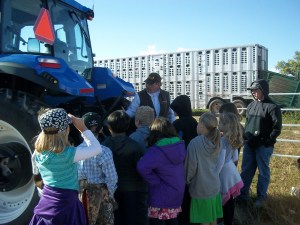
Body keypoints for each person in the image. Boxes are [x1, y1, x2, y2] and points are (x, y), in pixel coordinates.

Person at [30, 108, 102, 225]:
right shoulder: (69, 154)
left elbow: (38, 181)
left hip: (46, 203)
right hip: (67, 205)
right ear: (66, 130)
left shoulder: (38, 153)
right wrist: (82, 128)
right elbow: (96, 148)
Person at [239, 79, 282, 207]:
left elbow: (277, 128)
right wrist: (245, 138)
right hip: (249, 145)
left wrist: (267, 142)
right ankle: (242, 196)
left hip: (263, 147)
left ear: (263, 90)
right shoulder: (251, 105)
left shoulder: (273, 107)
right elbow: (247, 124)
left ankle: (261, 197)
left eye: (255, 90)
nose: (253, 93)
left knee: (263, 172)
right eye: (252, 91)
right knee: (246, 170)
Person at [137, 117, 186, 225]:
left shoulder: (157, 151)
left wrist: (155, 181)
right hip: (176, 191)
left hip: (161, 194)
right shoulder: (179, 145)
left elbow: (142, 167)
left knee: (156, 222)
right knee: (172, 220)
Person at [102, 110, 148, 225]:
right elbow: (141, 169)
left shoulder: (104, 145)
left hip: (111, 190)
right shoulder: (135, 146)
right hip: (133, 189)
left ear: (109, 127)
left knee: (115, 219)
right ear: (127, 125)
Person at [78, 112, 118, 225]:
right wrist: (109, 194)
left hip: (81, 194)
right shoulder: (104, 151)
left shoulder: (75, 151)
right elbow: (112, 178)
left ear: (81, 130)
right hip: (101, 194)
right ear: (101, 129)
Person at [184, 112, 223, 225]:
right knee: (212, 219)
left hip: (200, 189)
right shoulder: (217, 141)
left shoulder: (194, 143)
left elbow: (190, 168)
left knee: (203, 220)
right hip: (215, 187)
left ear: (201, 125)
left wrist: (186, 180)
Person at [170, 95, 198, 225]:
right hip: (194, 161)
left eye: (175, 109)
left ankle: (182, 218)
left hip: (180, 162)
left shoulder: (177, 124)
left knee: (182, 192)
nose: (174, 112)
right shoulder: (194, 122)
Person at [217, 112, 244, 225]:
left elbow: (220, 161)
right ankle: (230, 220)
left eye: (220, 123)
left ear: (226, 125)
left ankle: (224, 221)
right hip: (231, 171)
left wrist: (214, 174)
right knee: (230, 200)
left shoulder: (223, 140)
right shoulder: (232, 139)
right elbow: (235, 158)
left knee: (225, 201)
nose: (218, 125)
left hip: (223, 172)